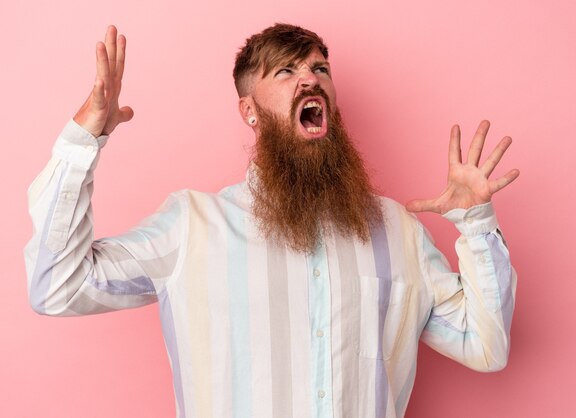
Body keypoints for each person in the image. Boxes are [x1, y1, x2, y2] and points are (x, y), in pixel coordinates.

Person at [25, 24, 519, 418]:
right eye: (285, 71)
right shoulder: (193, 225)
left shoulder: (398, 230)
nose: (310, 79)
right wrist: (82, 142)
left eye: (319, 67)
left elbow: (486, 346)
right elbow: (57, 288)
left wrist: (475, 222)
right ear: (250, 111)